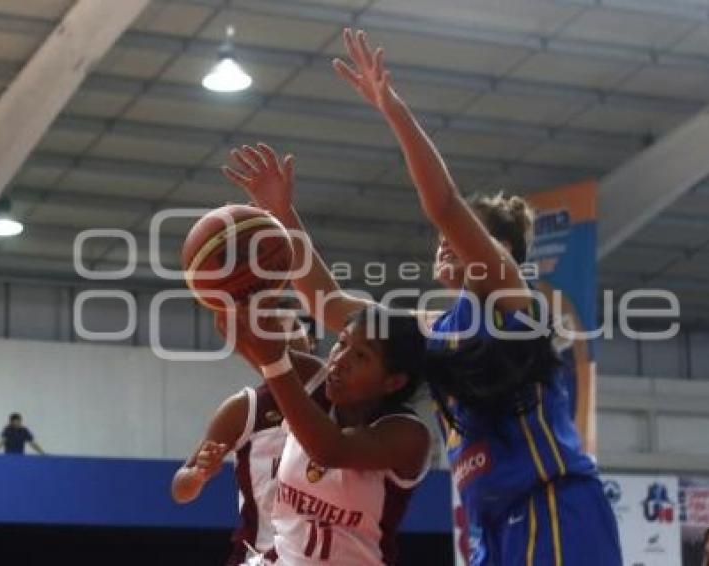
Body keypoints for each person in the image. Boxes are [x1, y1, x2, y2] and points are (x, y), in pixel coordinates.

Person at [221, 28, 621, 566]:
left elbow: (445, 205)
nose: (446, 244)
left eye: (461, 237)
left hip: (552, 499)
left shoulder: (510, 301)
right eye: (443, 241)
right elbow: (329, 305)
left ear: (501, 253)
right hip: (490, 520)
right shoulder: (432, 329)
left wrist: (392, 109)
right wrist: (283, 217)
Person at [233, 304, 431, 565]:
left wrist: (274, 363)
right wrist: (240, 294)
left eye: (360, 356)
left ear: (393, 382)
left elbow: (331, 450)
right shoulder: (315, 381)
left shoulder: (408, 435)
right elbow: (240, 334)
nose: (339, 359)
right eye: (341, 343)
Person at [172, 308, 321, 565]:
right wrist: (200, 474)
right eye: (272, 329)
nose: (281, 336)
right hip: (263, 555)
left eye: (290, 327)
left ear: (311, 341)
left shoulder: (335, 398)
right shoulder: (244, 408)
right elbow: (180, 489)